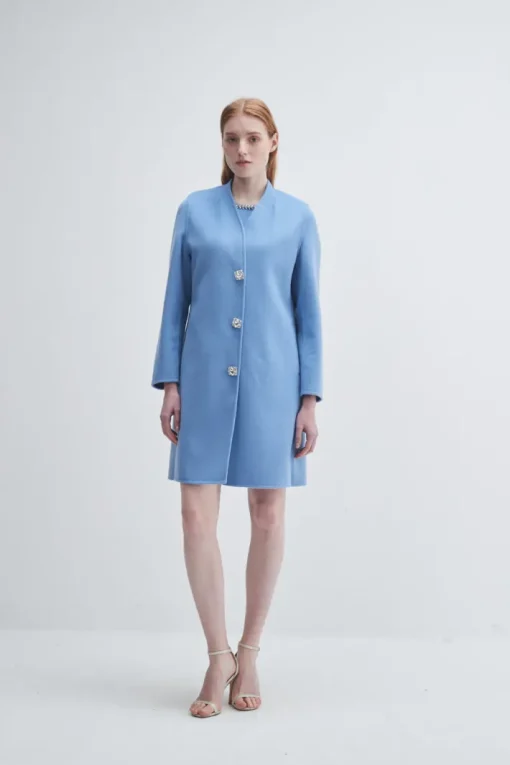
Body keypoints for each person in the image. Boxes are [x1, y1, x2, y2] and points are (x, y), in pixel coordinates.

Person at [151, 97, 323, 718]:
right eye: (231, 138)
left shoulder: (297, 217)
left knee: (267, 513)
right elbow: (176, 301)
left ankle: (249, 651)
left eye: (253, 137)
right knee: (195, 517)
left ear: (273, 141)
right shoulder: (194, 211)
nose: (242, 148)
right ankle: (216, 653)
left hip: (275, 385)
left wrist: (309, 398)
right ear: (221, 145)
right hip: (201, 381)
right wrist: (170, 382)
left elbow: (308, 313)